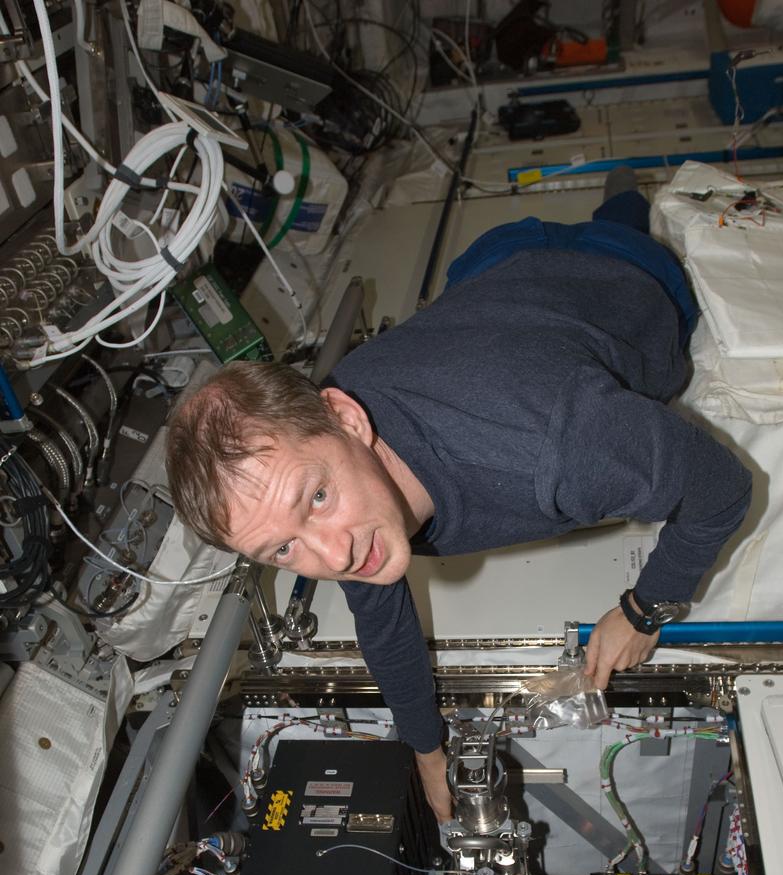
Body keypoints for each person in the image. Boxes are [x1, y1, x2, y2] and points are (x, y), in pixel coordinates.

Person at [166, 170, 753, 823]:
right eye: (281, 549)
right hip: (491, 265)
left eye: (318, 500)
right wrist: (428, 754)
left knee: (625, 223)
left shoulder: (559, 447)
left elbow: (722, 488)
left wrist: (644, 611)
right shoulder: (331, 466)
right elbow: (382, 623)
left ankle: (628, 188)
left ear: (349, 420)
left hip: (625, 279)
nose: (329, 558)